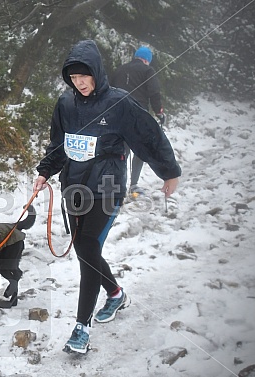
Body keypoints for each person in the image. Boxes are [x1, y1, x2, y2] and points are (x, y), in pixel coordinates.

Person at [33, 40, 181, 354]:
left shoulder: (120, 103)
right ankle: (115, 293)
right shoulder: (65, 104)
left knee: (87, 248)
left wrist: (169, 170)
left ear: (97, 72)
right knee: (87, 251)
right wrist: (45, 170)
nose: (80, 82)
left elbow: (148, 136)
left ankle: (81, 328)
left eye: (84, 76)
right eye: (73, 78)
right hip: (73, 187)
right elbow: (59, 144)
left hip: (108, 188)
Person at [110, 46, 166, 196]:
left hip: (117, 114)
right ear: (147, 60)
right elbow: (154, 92)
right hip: (138, 115)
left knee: (122, 151)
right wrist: (159, 111)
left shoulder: (120, 70)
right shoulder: (148, 71)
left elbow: (109, 90)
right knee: (140, 150)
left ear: (136, 56)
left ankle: (116, 186)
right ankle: (133, 185)